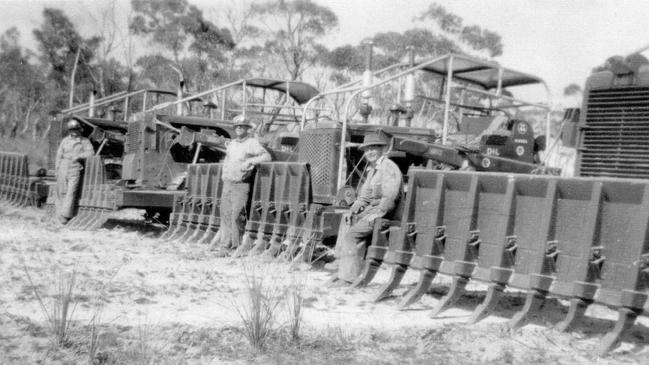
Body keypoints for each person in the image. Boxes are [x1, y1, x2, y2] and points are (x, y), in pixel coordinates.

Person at [336, 133, 403, 283]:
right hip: (373, 210)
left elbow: (390, 196)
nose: (369, 152)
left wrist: (379, 213)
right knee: (346, 219)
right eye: (367, 150)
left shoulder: (388, 167)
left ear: (382, 149)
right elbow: (364, 196)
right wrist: (352, 210)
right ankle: (341, 264)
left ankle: (348, 277)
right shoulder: (373, 169)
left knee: (352, 235)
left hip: (386, 213)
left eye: (373, 148)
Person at [211, 114, 271, 254]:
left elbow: (266, 156)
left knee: (237, 215)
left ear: (247, 129)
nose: (239, 129)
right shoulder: (232, 144)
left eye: (242, 127)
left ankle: (235, 247)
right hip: (227, 183)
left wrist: (251, 161)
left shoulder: (252, 143)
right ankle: (224, 246)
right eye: (237, 126)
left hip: (240, 184)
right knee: (225, 214)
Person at [55, 119, 95, 224]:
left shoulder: (85, 141)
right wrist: (57, 169)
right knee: (61, 191)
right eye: (72, 130)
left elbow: (91, 153)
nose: (74, 132)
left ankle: (65, 215)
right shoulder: (64, 141)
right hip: (63, 166)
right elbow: (59, 155)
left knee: (71, 192)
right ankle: (59, 213)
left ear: (79, 130)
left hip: (75, 167)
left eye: (76, 129)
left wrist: (79, 156)